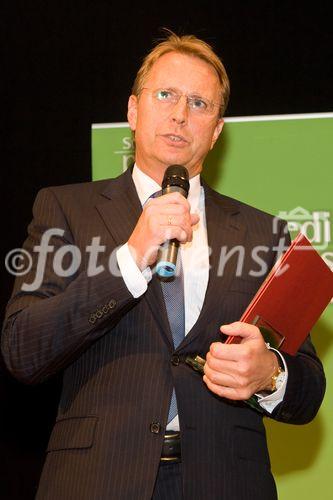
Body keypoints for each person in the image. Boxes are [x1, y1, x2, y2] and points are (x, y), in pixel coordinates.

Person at [1, 32, 325, 500]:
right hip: (98, 479)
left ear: (216, 131)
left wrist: (270, 375)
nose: (179, 114)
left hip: (227, 483)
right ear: (133, 111)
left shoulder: (264, 234)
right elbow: (23, 349)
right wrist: (130, 258)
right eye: (166, 95)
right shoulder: (65, 210)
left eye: (199, 103)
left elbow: (309, 391)